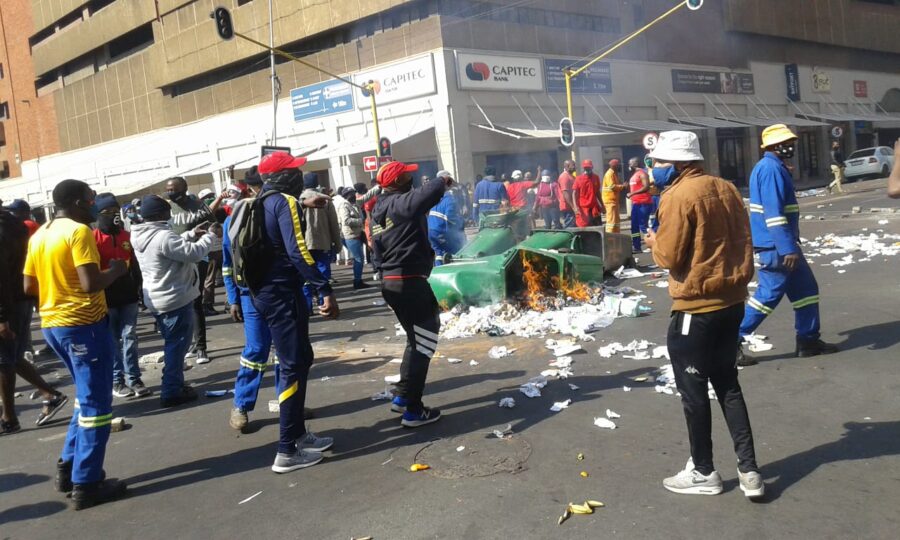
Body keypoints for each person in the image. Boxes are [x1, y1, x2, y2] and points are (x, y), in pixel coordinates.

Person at [643, 131, 763, 500]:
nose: (654, 169)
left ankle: (703, 471)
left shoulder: (677, 195)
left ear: (678, 164)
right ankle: (750, 472)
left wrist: (652, 242)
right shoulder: (726, 188)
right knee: (728, 386)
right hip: (733, 304)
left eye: (660, 163)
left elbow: (669, 257)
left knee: (694, 395)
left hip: (696, 310)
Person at [23, 179, 128, 509]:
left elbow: (28, 285)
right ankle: (87, 482)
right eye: (91, 198)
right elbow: (89, 283)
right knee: (97, 406)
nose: (95, 203)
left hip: (53, 324)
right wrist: (116, 270)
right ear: (79, 202)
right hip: (83, 325)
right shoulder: (78, 232)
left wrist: (56, 294)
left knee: (85, 398)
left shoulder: (41, 233)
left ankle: (68, 467)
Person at [249, 152, 338, 473]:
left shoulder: (262, 200)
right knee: (291, 365)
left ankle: (299, 435)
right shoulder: (283, 201)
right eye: (295, 170)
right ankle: (286, 450)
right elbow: (297, 250)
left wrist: (304, 203)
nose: (300, 174)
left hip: (269, 293)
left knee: (302, 358)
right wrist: (323, 288)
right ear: (283, 176)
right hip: (282, 294)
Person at [738, 124, 838, 364]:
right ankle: (731, 341)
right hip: (777, 247)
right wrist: (786, 249)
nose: (791, 146)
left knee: (806, 291)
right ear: (773, 146)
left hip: (784, 245)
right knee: (767, 296)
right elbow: (774, 214)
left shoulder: (774, 167)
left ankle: (808, 340)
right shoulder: (770, 169)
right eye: (786, 143)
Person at [372, 161, 451, 428]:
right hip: (408, 282)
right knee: (424, 342)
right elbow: (424, 195)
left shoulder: (380, 210)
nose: (412, 178)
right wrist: (442, 181)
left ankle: (404, 396)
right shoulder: (398, 204)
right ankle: (414, 410)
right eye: (407, 175)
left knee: (415, 339)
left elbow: (377, 252)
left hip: (393, 282)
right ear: (397, 182)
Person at [132, 195, 217, 407]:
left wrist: (190, 234)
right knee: (176, 347)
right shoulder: (163, 237)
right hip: (173, 297)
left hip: (158, 296)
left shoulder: (141, 234)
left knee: (173, 343)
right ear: (161, 214)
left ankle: (174, 384)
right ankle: (171, 390)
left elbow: (169, 247)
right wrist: (210, 236)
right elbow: (194, 254)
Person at [1, 205, 68, 435]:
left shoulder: (4, 228)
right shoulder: (14, 224)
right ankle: (50, 394)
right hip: (19, 299)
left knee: (5, 359)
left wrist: (2, 318)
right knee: (13, 357)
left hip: (9, 302)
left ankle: (9, 418)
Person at [222, 169, 278, 431]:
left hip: (278, 293)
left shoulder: (278, 211)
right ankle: (241, 406)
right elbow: (227, 263)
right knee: (256, 351)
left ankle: (288, 403)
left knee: (283, 352)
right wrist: (233, 298)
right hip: (250, 294)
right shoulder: (233, 219)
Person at [92, 194, 149, 399]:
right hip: (105, 298)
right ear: (98, 214)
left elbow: (135, 266)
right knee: (112, 341)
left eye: (116, 212)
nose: (113, 216)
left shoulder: (127, 236)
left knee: (130, 337)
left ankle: (134, 378)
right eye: (107, 213)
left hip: (129, 296)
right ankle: (117, 380)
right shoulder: (92, 238)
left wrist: (140, 289)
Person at [164, 177, 214, 364]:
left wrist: (205, 238)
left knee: (195, 301)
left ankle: (201, 347)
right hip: (174, 258)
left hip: (197, 258)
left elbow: (213, 224)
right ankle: (189, 344)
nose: (170, 192)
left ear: (184, 189)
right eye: (167, 189)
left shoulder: (198, 205)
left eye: (173, 189)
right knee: (180, 302)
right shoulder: (166, 208)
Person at [299, 172, 342, 310]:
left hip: (304, 244)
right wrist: (338, 244)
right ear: (317, 184)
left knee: (305, 274)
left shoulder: (299, 199)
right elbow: (334, 224)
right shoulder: (325, 199)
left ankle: (307, 306)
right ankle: (324, 302)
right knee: (323, 273)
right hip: (323, 242)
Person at [333, 187, 370, 289]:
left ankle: (358, 280)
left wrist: (379, 187)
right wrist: (360, 221)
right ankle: (357, 282)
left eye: (354, 193)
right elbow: (346, 220)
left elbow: (367, 196)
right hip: (350, 235)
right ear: (346, 196)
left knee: (360, 258)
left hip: (357, 234)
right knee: (358, 259)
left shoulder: (355, 203)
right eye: (351, 194)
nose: (354, 195)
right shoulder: (344, 206)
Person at [427, 170, 465, 265]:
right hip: (441, 231)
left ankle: (438, 271)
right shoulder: (449, 198)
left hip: (431, 229)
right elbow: (451, 219)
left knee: (438, 252)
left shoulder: (433, 195)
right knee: (455, 249)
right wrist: (461, 225)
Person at [626, 157, 654, 253]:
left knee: (643, 225)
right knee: (634, 226)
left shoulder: (642, 173)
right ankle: (637, 246)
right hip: (636, 204)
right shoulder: (634, 175)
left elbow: (646, 187)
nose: (629, 166)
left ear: (635, 164)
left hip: (644, 203)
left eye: (630, 164)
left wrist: (632, 193)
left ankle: (654, 244)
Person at [574, 159, 603, 227]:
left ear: (592, 167)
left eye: (588, 167)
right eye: (585, 167)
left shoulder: (596, 177)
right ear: (583, 168)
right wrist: (575, 207)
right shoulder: (579, 178)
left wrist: (602, 205)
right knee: (584, 227)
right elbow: (574, 193)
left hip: (594, 207)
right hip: (583, 208)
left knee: (597, 226)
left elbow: (597, 192)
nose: (587, 169)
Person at [601, 159, 624, 232]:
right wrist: (623, 186)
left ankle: (616, 237)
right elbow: (612, 186)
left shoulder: (613, 173)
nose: (620, 167)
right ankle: (609, 238)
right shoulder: (609, 174)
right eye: (619, 165)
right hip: (610, 202)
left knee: (616, 222)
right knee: (611, 221)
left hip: (613, 201)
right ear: (615, 166)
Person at [558, 160, 578, 228]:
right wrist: (573, 207)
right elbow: (565, 193)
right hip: (567, 207)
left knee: (574, 225)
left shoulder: (571, 176)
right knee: (570, 226)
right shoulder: (564, 177)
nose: (575, 167)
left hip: (571, 206)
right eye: (573, 165)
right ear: (567, 167)